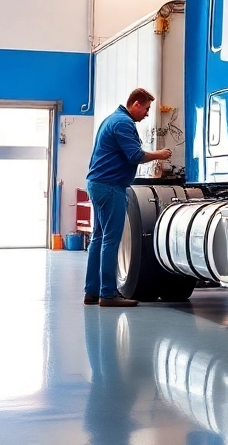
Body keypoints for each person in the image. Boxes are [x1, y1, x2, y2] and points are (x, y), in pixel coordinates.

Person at [84, 88, 171, 307]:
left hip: (99, 184)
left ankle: (92, 292)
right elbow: (135, 155)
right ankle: (108, 294)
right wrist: (160, 154)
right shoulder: (123, 123)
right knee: (111, 240)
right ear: (136, 104)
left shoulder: (110, 120)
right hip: (110, 186)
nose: (147, 114)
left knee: (99, 239)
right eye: (147, 109)